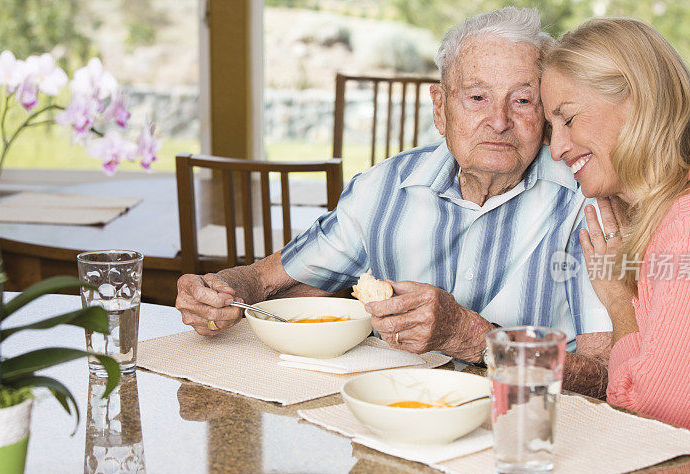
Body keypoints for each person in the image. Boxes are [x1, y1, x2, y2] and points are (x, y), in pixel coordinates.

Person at [176, 7, 612, 395]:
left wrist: (471, 336)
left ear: (547, 112)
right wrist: (221, 291)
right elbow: (271, 281)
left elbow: (603, 375)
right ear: (440, 107)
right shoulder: (384, 187)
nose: (498, 121)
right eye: (477, 97)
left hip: (526, 432)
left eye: (522, 100)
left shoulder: (587, 203)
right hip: (393, 416)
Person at [541, 18, 690, 445]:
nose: (556, 149)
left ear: (635, 102)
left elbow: (653, 414)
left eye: (568, 120)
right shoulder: (677, 206)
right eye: (550, 129)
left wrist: (617, 298)